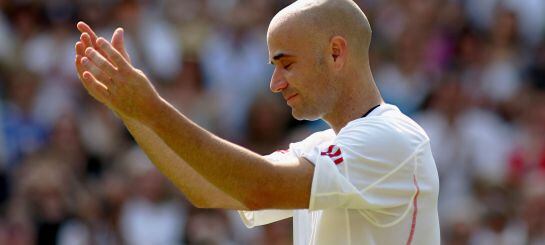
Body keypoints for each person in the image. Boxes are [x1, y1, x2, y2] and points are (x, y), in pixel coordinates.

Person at [74, 0, 440, 244]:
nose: (275, 84)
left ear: (335, 52)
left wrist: (153, 109)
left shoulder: (393, 140)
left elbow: (258, 187)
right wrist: (130, 110)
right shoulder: (320, 147)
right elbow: (207, 189)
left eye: (287, 63)